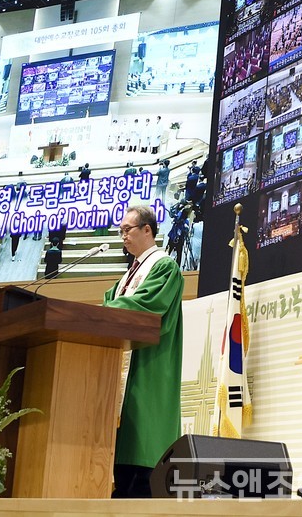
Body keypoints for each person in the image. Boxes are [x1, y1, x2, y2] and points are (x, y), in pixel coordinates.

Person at [104, 206, 184, 498]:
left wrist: (101, 311)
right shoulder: (130, 273)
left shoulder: (163, 267)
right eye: (121, 230)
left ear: (147, 230)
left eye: (127, 229)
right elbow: (112, 301)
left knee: (142, 458)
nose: (123, 236)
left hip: (149, 363)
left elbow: (147, 306)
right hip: (120, 360)